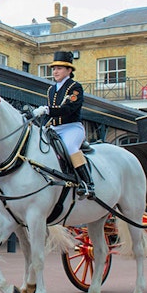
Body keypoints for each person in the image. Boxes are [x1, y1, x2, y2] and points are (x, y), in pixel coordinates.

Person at [31, 51, 94, 198]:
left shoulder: (75, 87)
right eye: (54, 68)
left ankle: (88, 183)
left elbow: (69, 109)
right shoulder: (51, 89)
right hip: (54, 128)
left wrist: (47, 110)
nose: (55, 71)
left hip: (72, 127)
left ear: (69, 70)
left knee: (71, 148)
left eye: (59, 68)